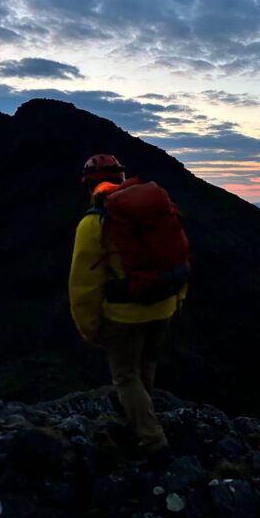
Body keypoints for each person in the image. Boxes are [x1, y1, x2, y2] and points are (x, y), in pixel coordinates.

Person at [69, 154, 188, 468]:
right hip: (163, 305)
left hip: (124, 315)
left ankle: (153, 442)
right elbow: (179, 257)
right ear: (122, 179)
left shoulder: (94, 224)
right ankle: (142, 414)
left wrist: (88, 328)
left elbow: (83, 285)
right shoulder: (156, 213)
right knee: (147, 361)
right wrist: (178, 299)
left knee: (125, 377)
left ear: (88, 184)